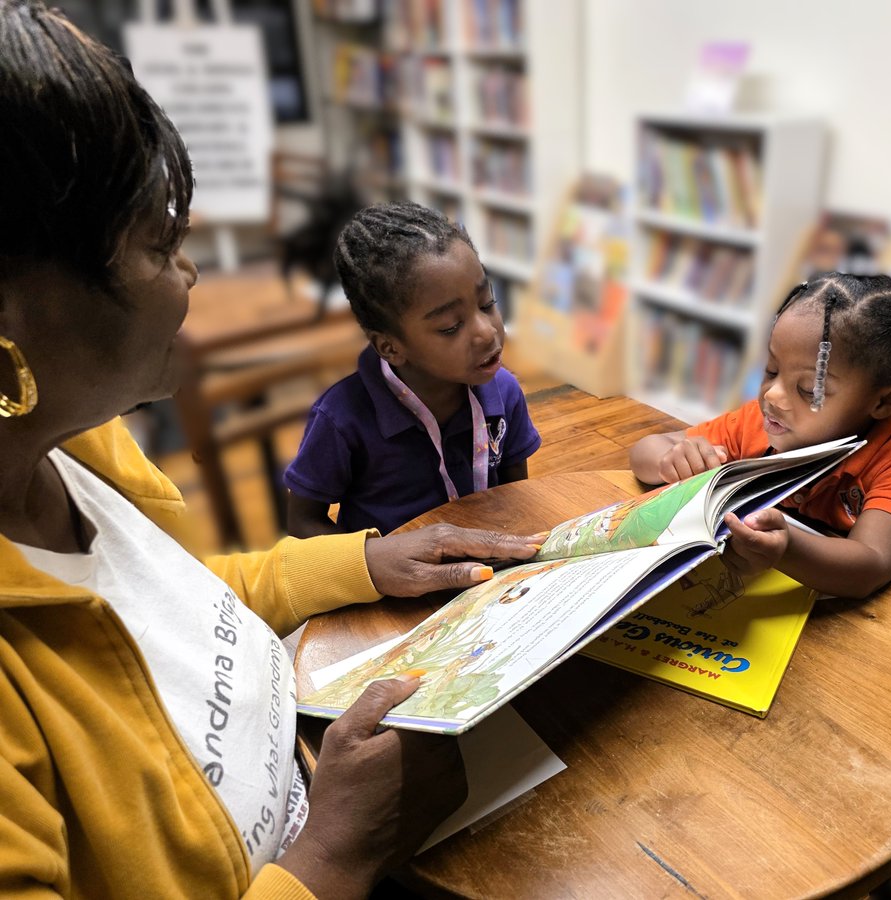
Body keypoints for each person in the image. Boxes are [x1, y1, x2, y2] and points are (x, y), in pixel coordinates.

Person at [0, 2, 542, 896]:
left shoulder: (79, 453)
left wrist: (368, 560)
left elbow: (178, 605)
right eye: (159, 243)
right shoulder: (345, 415)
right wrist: (330, 860)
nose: (190, 274)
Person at [630, 273, 891, 599]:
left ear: (885, 401)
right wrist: (670, 459)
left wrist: (786, 547)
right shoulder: (754, 424)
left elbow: (871, 564)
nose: (773, 395)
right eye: (771, 370)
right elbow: (644, 452)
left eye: (808, 389)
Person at [284, 201, 541, 538]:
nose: (487, 331)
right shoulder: (341, 420)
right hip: (396, 571)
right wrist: (375, 560)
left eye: (487, 303)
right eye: (451, 327)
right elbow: (302, 522)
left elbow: (514, 496)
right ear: (390, 348)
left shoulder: (504, 392)